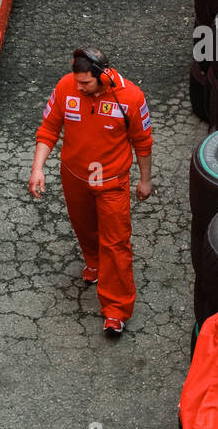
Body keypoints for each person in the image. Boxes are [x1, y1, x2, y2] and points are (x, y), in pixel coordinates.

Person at [29, 47, 153, 336]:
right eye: (77, 81)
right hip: (74, 177)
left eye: (85, 83)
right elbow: (48, 128)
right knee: (84, 229)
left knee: (116, 244)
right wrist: (37, 168)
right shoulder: (65, 87)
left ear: (104, 76)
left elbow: (143, 143)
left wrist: (145, 180)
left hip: (112, 183)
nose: (80, 87)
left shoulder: (130, 98)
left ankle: (116, 311)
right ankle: (94, 264)